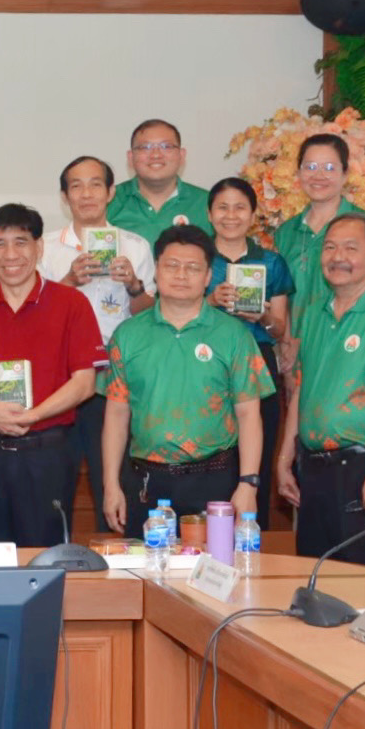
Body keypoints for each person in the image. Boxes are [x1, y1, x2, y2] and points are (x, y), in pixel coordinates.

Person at [0, 204, 105, 547]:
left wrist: (33, 415)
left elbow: (84, 383)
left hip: (47, 453)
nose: (10, 254)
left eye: (21, 242)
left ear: (39, 247)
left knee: (43, 557)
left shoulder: (71, 304)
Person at [99, 225, 271, 538]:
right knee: (147, 568)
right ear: (156, 270)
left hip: (215, 480)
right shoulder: (128, 335)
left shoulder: (233, 335)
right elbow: (116, 415)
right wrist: (111, 485)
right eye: (172, 265)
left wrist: (248, 484)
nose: (181, 275)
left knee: (216, 567)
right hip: (145, 483)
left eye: (193, 268)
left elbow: (249, 414)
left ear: (208, 277)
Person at [275, 215, 365, 572]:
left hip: (363, 467)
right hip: (314, 468)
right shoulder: (314, 312)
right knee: (315, 573)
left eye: (350, 248)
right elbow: (303, 387)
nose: (337, 256)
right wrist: (285, 458)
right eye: (330, 247)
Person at [39, 155, 155, 517]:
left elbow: (150, 315)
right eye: (76, 186)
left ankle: (115, 548)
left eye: (95, 185)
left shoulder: (135, 246)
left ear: (110, 192)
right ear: (65, 196)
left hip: (115, 375)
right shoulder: (43, 247)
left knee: (114, 477)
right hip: (59, 375)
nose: (86, 194)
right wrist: (68, 281)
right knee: (55, 479)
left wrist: (134, 285)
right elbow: (31, 313)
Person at [206, 177, 296, 525]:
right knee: (211, 453)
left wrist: (263, 316)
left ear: (253, 214)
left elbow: (280, 330)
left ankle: (252, 536)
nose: (231, 216)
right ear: (210, 214)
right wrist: (210, 302)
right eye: (222, 207)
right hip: (207, 361)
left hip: (258, 358)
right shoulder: (198, 259)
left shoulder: (271, 263)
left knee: (259, 450)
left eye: (240, 207)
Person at [273, 133, 365, 329]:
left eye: (329, 168)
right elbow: (279, 296)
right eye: (310, 167)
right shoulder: (286, 232)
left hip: (347, 336)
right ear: (298, 173)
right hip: (292, 341)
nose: (319, 175)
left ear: (345, 174)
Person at [109, 119, 214, 239]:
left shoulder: (207, 202)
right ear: (131, 157)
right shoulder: (109, 201)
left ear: (181, 155)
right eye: (145, 147)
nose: (156, 155)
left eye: (166, 146)